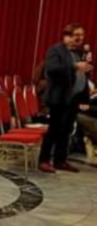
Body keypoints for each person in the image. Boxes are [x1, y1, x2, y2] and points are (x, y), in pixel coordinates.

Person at [39, 23, 92, 173]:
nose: (80, 38)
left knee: (67, 131)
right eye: (77, 35)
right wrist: (75, 66)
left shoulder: (78, 52)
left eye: (82, 35)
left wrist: (84, 97)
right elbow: (52, 69)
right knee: (54, 129)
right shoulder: (56, 50)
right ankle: (44, 160)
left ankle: (60, 160)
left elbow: (81, 76)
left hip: (73, 98)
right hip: (59, 97)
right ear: (67, 36)